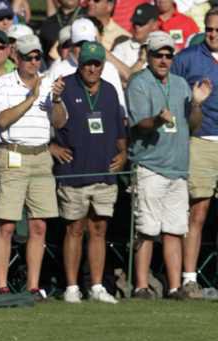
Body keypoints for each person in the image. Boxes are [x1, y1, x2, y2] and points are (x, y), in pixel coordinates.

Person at [127, 31, 211, 299]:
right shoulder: (139, 83)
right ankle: (141, 286)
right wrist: (157, 121)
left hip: (178, 167)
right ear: (148, 56)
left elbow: (193, 125)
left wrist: (196, 104)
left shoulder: (181, 84)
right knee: (147, 230)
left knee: (174, 230)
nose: (163, 60)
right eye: (158, 55)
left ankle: (174, 288)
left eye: (168, 55)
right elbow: (139, 124)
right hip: (149, 165)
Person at [0, 34, 67, 300]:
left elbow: (59, 123)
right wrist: (31, 98)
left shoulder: (49, 82)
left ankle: (33, 286)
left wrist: (56, 100)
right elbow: (1, 120)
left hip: (41, 155)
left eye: (37, 57)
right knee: (7, 225)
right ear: (16, 58)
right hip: (13, 154)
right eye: (28, 57)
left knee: (39, 226)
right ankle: (2, 285)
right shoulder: (2, 83)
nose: (34, 62)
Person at [53, 42, 126, 304]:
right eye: (87, 64)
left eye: (97, 64)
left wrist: (123, 154)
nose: (92, 69)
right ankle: (72, 287)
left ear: (103, 65)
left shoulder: (110, 90)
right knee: (74, 228)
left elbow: (119, 130)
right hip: (74, 171)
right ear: (79, 64)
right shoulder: (64, 85)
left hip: (104, 171)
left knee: (99, 229)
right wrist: (51, 145)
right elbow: (54, 122)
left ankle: (96, 286)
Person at [171, 7, 218, 298]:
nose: (212, 35)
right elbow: (171, 97)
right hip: (200, 140)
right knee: (198, 211)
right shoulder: (187, 58)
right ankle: (189, 278)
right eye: (209, 29)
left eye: (217, 30)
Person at [49, 18, 127, 116]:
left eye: (88, 43)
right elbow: (50, 111)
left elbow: (121, 112)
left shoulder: (109, 69)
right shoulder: (58, 69)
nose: (83, 48)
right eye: (79, 44)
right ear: (71, 44)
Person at [110, 3, 159, 83]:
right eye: (135, 23)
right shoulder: (121, 48)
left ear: (154, 24)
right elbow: (114, 80)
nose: (136, 27)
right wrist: (140, 62)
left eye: (141, 24)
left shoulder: (165, 47)